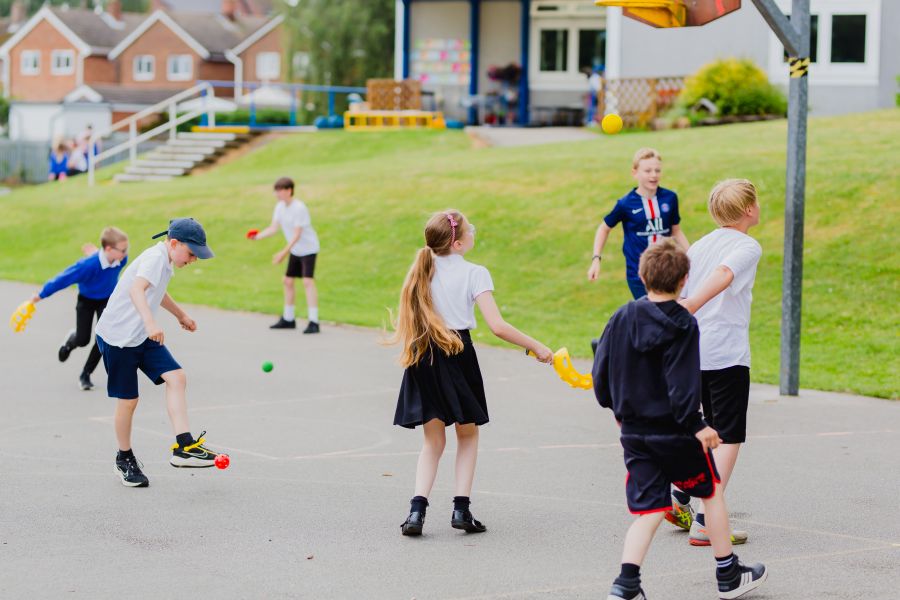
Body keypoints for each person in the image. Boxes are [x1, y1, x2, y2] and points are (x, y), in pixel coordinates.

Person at [592, 240, 767, 600]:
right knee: (711, 491)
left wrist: (616, 411)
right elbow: (682, 384)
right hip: (674, 434)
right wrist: (698, 426)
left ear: (641, 274)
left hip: (635, 433)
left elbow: (601, 372)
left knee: (650, 509)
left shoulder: (622, 316)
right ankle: (728, 574)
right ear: (685, 280)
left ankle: (625, 585)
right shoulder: (684, 323)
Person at [390, 210, 552, 536]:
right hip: (457, 352)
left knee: (432, 441)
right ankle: (461, 509)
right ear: (459, 242)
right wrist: (537, 346)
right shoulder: (475, 273)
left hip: (424, 354)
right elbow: (498, 326)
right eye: (470, 230)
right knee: (467, 434)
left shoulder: (422, 270)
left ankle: (416, 512)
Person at [666, 179, 762, 547]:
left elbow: (680, 283)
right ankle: (706, 518)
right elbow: (723, 276)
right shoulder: (747, 245)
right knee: (729, 436)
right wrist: (689, 306)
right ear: (749, 209)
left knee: (702, 428)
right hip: (725, 353)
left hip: (695, 352)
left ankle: (679, 494)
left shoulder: (702, 244)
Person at [95, 218, 219, 487]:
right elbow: (136, 289)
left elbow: (157, 292)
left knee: (177, 377)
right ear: (174, 243)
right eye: (191, 253)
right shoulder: (154, 257)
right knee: (128, 401)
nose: (194, 259)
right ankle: (123, 458)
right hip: (119, 338)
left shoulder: (165, 261)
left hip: (141, 335)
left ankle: (184, 446)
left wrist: (180, 315)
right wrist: (151, 322)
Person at [25, 227, 129, 391]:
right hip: (86, 301)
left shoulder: (120, 259)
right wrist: (41, 294)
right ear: (108, 248)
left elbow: (106, 261)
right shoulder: (86, 266)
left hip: (107, 301)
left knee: (105, 338)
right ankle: (71, 341)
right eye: (123, 250)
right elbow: (63, 279)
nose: (126, 253)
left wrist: (98, 253)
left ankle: (85, 374)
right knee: (83, 339)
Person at [587, 148, 689, 299]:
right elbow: (604, 228)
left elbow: (676, 231)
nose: (654, 175)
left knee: (671, 314)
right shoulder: (625, 203)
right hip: (639, 275)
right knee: (651, 316)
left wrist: (692, 255)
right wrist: (596, 259)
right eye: (648, 171)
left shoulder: (670, 198)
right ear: (634, 172)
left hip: (668, 270)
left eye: (657, 170)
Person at [248, 177, 321, 333]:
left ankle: (314, 322)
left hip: (308, 249)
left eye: (280, 190)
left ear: (289, 190)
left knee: (308, 282)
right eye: (276, 190)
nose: (277, 193)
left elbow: (297, 234)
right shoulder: (280, 207)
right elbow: (274, 228)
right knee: (288, 281)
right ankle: (289, 319)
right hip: (295, 249)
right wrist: (258, 236)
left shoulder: (299, 207)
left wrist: (283, 253)